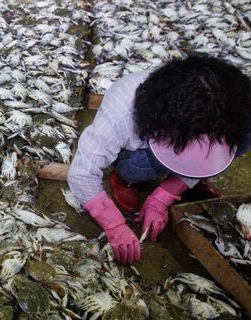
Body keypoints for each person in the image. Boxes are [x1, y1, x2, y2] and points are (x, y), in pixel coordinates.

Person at [68, 55, 251, 265]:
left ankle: (191, 176)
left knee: (236, 146)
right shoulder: (122, 111)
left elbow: (235, 144)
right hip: (144, 148)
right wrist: (114, 224)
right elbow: (82, 173)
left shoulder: (238, 103)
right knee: (137, 168)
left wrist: (164, 196)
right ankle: (124, 178)